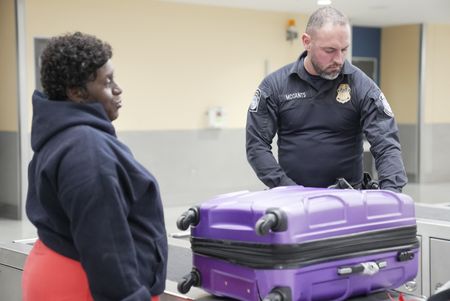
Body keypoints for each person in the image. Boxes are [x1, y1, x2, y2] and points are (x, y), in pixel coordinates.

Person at [22, 32, 167, 301]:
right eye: (107, 81)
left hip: (57, 267)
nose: (118, 89)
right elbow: (104, 243)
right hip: (82, 284)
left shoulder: (60, 133)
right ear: (76, 93)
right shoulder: (87, 149)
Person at [246, 6, 407, 192]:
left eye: (344, 49)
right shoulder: (275, 86)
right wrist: (287, 189)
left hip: (346, 200)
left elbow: (386, 144)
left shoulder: (362, 87)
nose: (339, 59)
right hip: (291, 199)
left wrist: (391, 195)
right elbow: (256, 145)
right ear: (307, 42)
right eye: (329, 50)